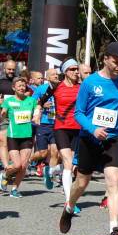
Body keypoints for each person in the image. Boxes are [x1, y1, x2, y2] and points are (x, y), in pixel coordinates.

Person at [59, 42, 118, 235]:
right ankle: (69, 207)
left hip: (112, 138)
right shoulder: (90, 82)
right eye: (116, 61)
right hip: (89, 139)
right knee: (82, 183)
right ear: (105, 59)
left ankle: (114, 229)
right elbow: (79, 113)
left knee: (114, 182)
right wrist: (93, 129)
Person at [36, 59, 82, 210]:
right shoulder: (57, 87)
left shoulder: (82, 88)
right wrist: (38, 111)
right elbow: (40, 101)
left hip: (77, 128)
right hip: (61, 128)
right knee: (68, 163)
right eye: (72, 69)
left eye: (77, 69)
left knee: (70, 164)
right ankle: (69, 202)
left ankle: (50, 170)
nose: (76, 71)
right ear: (65, 72)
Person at [0, 77, 37, 197]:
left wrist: (37, 113)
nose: (22, 87)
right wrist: (3, 114)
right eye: (19, 86)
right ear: (13, 88)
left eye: (23, 85)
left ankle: (14, 189)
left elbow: (37, 109)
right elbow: (3, 114)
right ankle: (5, 175)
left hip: (27, 136)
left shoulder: (31, 100)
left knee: (23, 165)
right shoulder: (9, 101)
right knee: (17, 165)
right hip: (13, 136)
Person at [31, 68, 60, 189]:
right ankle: (28, 160)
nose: (56, 76)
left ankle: (49, 174)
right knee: (43, 153)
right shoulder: (40, 89)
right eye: (53, 75)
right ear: (47, 78)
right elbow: (32, 104)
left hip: (56, 124)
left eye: (57, 74)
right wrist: (42, 104)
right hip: (43, 124)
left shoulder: (61, 88)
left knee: (55, 151)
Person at [0, 59, 16, 173]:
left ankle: (10, 166)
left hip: (16, 116)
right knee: (3, 141)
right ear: (4, 69)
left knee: (12, 143)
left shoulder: (18, 81)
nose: (11, 71)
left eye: (13, 69)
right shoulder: (0, 82)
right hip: (3, 116)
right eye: (9, 69)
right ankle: (6, 167)